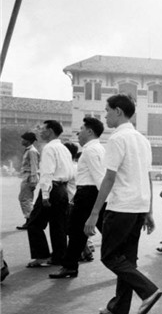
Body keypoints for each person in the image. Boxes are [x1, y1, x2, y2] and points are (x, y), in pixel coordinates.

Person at [84, 93, 162, 314]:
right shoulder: (142, 139)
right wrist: (148, 210)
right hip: (137, 207)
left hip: (121, 207)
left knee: (109, 256)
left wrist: (94, 213)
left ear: (118, 111)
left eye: (107, 110)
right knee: (127, 260)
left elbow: (109, 178)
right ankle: (119, 307)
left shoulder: (117, 139)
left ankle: (148, 290)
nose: (105, 116)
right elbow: (147, 177)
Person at [50, 117, 106, 279]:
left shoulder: (90, 150)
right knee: (81, 232)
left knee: (76, 231)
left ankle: (70, 266)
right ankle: (70, 266)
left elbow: (99, 178)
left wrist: (99, 202)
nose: (78, 133)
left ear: (89, 131)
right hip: (89, 194)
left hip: (89, 194)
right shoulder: (98, 148)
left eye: (81, 129)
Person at [26, 120, 75, 268]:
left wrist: (45, 194)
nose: (40, 131)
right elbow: (70, 172)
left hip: (52, 188)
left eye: (43, 129)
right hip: (63, 189)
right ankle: (59, 257)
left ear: (51, 131)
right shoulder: (64, 149)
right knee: (58, 225)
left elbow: (47, 172)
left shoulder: (49, 148)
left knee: (34, 223)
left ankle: (41, 256)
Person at [16, 131, 40, 230]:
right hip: (28, 176)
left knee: (25, 199)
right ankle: (31, 220)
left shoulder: (32, 151)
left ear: (28, 141)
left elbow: (34, 166)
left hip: (30, 176)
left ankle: (30, 221)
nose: (21, 140)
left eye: (23, 139)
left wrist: (33, 180)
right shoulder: (29, 150)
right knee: (26, 199)